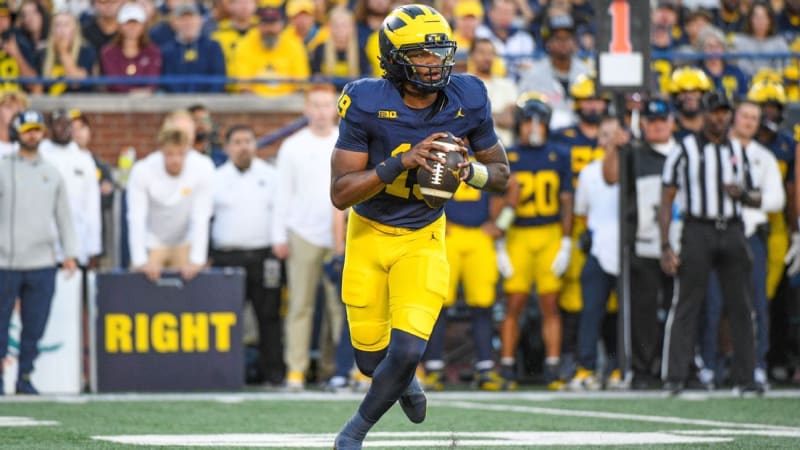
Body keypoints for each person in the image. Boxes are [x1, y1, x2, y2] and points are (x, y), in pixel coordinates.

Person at [330, 5, 509, 449]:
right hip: (368, 232)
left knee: (408, 350)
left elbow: (501, 172)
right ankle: (403, 382)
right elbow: (340, 193)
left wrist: (472, 173)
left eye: (438, 53)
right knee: (372, 360)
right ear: (393, 58)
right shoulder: (368, 101)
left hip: (423, 236)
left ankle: (355, 432)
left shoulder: (468, 96)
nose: (434, 63)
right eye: (421, 55)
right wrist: (398, 163)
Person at [659, 91, 760, 395]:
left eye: (724, 112)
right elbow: (666, 198)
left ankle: (746, 377)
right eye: (715, 112)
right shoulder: (685, 149)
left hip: (732, 229)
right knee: (688, 303)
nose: (720, 117)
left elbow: (756, 196)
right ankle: (675, 376)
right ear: (704, 113)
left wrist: (740, 194)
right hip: (698, 229)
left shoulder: (738, 150)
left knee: (741, 304)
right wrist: (666, 244)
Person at [700, 99, 784, 391]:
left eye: (755, 117)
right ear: (734, 118)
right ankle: (711, 365)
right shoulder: (714, 151)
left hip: (750, 234)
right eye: (745, 116)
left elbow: (776, 200)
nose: (749, 121)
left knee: (755, 304)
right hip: (717, 230)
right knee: (713, 303)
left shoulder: (764, 157)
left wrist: (746, 197)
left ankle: (755, 366)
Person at [0, 110, 78, 394]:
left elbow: (64, 216)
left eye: (36, 129)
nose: (32, 135)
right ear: (16, 132)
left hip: (42, 260)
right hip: (5, 259)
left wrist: (70, 252)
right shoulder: (2, 167)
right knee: (0, 321)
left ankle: (25, 375)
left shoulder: (51, 172)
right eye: (27, 129)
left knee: (35, 323)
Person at [272, 82, 342, 391]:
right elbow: (281, 194)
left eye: (327, 104)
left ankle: (339, 368)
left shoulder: (347, 140)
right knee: (301, 305)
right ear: (305, 109)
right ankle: (296, 370)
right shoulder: (292, 146)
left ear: (336, 109)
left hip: (341, 234)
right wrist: (279, 235)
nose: (321, 111)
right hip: (302, 233)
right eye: (315, 104)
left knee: (341, 307)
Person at [501, 93, 573, 391]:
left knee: (550, 305)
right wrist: (499, 242)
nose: (533, 127)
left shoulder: (559, 154)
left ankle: (552, 366)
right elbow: (500, 201)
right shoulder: (510, 155)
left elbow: (567, 200)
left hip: (549, 232)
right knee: (514, 303)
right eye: (527, 121)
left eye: (538, 122)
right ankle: (506, 367)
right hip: (518, 233)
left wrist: (567, 241)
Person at [420, 178, 511, 391]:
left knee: (483, 304)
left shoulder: (485, 147)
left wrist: (502, 224)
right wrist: (431, 219)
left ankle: (485, 368)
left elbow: (512, 186)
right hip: (448, 233)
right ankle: (434, 367)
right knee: (438, 302)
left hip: (480, 234)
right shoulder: (441, 145)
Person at [211, 124, 285, 386]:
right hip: (226, 256)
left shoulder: (270, 175)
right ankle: (221, 375)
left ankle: (274, 375)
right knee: (224, 319)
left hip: (264, 255)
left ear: (255, 145)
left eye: (248, 141)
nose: (243, 147)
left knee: (269, 317)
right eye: (238, 142)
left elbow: (279, 211)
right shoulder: (216, 178)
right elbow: (205, 217)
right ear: (228, 147)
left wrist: (280, 242)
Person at [620, 98, 678, 389]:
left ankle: (679, 368)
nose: (656, 126)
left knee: (680, 308)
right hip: (643, 240)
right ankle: (643, 370)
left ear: (671, 123)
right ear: (642, 124)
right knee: (642, 312)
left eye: (661, 120)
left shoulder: (683, 154)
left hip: (680, 242)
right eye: (650, 121)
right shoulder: (632, 154)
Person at [568, 116, 626, 391]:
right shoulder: (590, 172)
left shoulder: (633, 166)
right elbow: (583, 212)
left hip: (629, 249)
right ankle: (586, 367)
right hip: (600, 247)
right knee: (591, 312)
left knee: (623, 315)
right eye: (605, 135)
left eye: (614, 135)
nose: (609, 140)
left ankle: (620, 367)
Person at [126, 124, 215, 282]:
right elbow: (136, 216)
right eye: (169, 154)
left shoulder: (203, 168)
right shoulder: (142, 170)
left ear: (188, 151)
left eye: (181, 154)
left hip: (184, 240)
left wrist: (197, 261)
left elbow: (201, 216)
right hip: (152, 241)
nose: (175, 160)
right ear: (161, 151)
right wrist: (140, 261)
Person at [39, 109, 102, 270]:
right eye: (58, 124)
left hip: (77, 244)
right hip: (43, 245)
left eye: (68, 124)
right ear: (50, 127)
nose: (64, 129)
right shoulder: (40, 155)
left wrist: (93, 248)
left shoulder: (84, 159)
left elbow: (92, 206)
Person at [517, 13, 590, 130]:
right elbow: (521, 108)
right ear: (548, 42)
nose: (563, 42)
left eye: (568, 37)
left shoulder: (586, 72)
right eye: (558, 38)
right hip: (548, 137)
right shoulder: (533, 74)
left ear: (574, 41)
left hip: (581, 136)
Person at [226, 6, 309, 96]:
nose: (269, 29)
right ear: (258, 25)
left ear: (281, 25)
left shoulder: (294, 45)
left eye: (273, 24)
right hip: (254, 104)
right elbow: (244, 87)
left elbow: (301, 86)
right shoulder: (245, 44)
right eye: (265, 24)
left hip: (288, 103)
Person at [159, 2, 226, 93]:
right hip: (176, 103)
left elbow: (218, 79)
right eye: (183, 19)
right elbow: (167, 80)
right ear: (174, 23)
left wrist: (205, 102)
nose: (188, 23)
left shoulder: (213, 47)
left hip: (209, 103)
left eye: (191, 18)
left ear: (199, 21)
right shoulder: (167, 51)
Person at [100, 1, 162, 93]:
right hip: (115, 103)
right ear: (120, 26)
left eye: (136, 23)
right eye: (128, 23)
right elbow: (113, 82)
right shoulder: (108, 52)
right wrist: (134, 93)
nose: (132, 27)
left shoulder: (152, 51)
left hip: (146, 103)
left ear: (143, 26)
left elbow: (152, 82)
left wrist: (140, 93)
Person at [668, 66, 713, 141]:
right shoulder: (668, 129)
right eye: (684, 92)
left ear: (704, 95)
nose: (689, 97)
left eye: (694, 91)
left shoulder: (715, 127)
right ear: (675, 96)